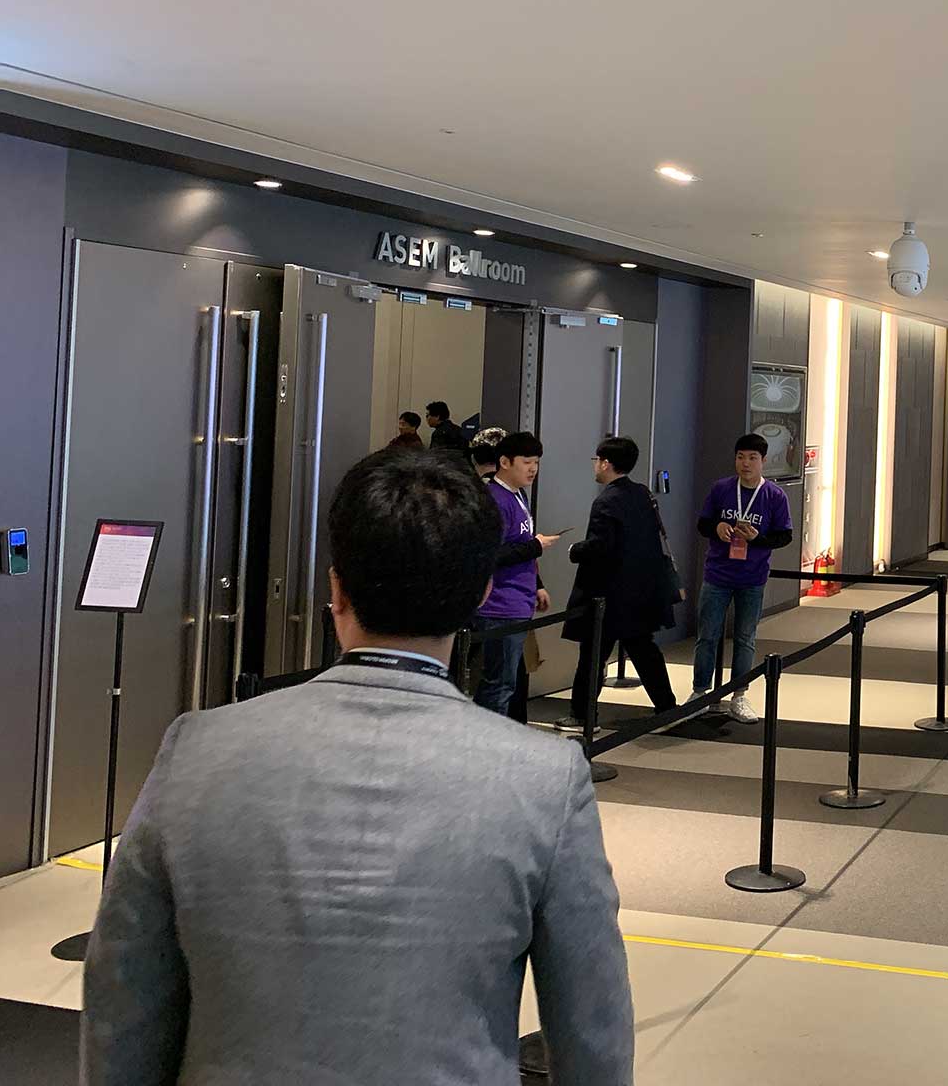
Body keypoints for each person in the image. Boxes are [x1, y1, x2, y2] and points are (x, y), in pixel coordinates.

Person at [81, 448, 634, 1086]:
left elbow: (123, 994)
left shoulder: (196, 748)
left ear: (335, 587)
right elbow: (593, 1028)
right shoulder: (547, 778)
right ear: (480, 592)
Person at [562, 435, 683, 727]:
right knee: (644, 649)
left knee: (593, 656)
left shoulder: (606, 501)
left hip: (608, 593)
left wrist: (575, 550)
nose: (595, 465)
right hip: (641, 589)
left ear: (605, 463)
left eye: (597, 460)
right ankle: (666, 706)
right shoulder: (642, 494)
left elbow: (601, 546)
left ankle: (583, 716)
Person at [693, 433, 793, 722]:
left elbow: (784, 536)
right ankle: (700, 693)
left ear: (763, 461)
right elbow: (703, 524)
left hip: (752, 576)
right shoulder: (721, 489)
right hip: (717, 573)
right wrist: (717, 528)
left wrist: (757, 538)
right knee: (707, 636)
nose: (745, 463)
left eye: (752, 458)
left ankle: (739, 695)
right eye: (740, 457)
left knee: (745, 638)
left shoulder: (774, 495)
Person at [477, 431, 559, 716]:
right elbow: (489, 554)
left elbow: (521, 543)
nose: (533, 469)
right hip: (500, 603)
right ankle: (487, 738)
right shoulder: (495, 500)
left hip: (518, 598)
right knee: (499, 685)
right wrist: (536, 546)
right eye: (526, 462)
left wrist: (537, 583)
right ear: (505, 462)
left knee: (507, 682)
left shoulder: (518, 494)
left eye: (536, 462)